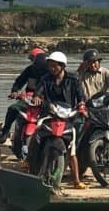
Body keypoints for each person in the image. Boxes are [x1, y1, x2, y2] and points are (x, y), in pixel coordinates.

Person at [30, 51, 89, 189]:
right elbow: (38, 91)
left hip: (68, 116)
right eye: (50, 65)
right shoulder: (45, 79)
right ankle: (30, 160)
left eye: (54, 66)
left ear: (62, 66)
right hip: (49, 113)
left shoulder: (73, 79)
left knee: (72, 148)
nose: (51, 68)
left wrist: (81, 105)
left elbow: (81, 96)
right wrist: (37, 97)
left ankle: (76, 181)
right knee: (37, 132)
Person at [0, 46, 48, 146]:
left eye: (33, 60)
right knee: (12, 109)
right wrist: (14, 91)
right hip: (28, 100)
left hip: (45, 101)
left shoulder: (50, 72)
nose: (33, 62)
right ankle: (5, 131)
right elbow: (19, 81)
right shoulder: (29, 70)